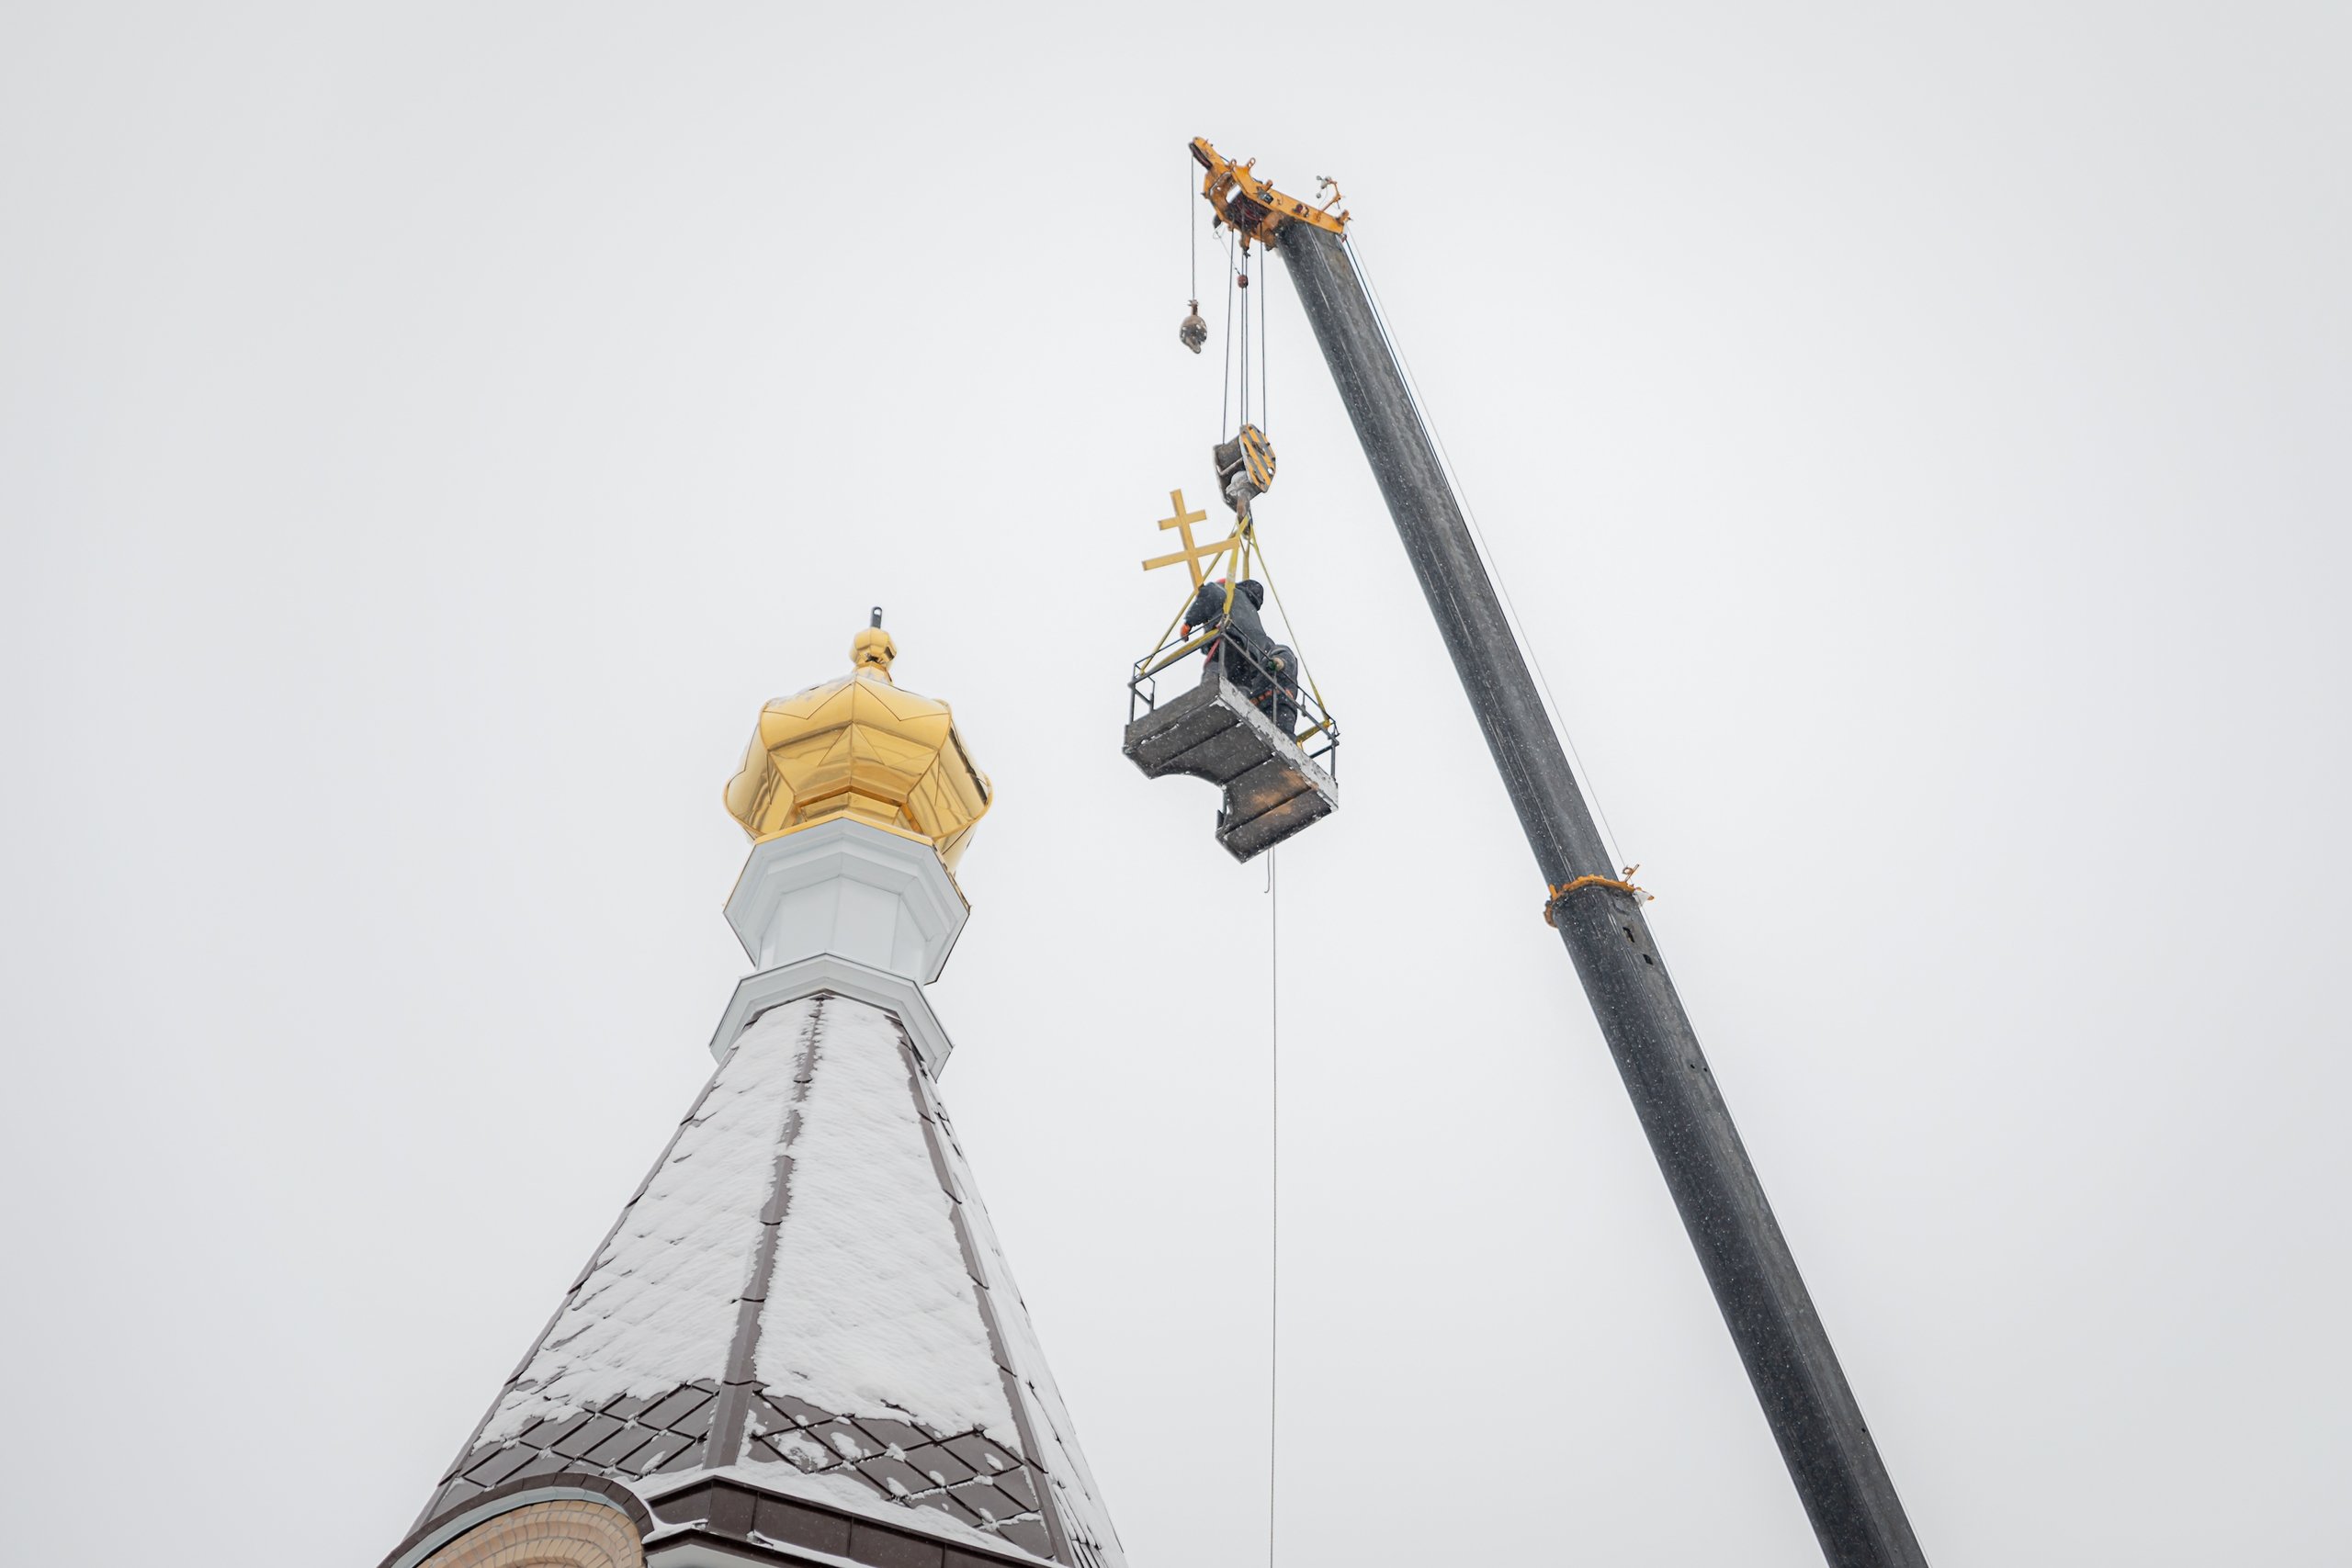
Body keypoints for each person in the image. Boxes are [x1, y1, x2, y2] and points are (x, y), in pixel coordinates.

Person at [1182, 579, 1299, 734]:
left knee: (1217, 669)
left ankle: (1209, 697)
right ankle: (1240, 708)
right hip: (1250, 656)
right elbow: (1268, 647)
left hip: (1230, 639)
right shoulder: (1254, 616)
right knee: (1241, 683)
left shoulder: (1230, 592)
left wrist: (1189, 622)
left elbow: (1211, 594)